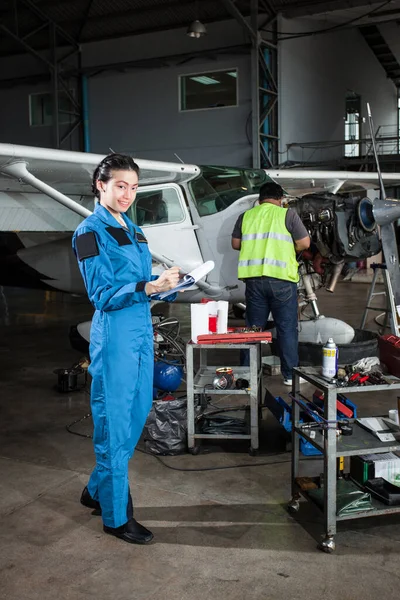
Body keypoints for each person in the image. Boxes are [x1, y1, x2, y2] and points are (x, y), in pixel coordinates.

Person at [72, 153, 180, 544]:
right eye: (120, 186)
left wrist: (162, 281)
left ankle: (95, 490)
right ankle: (116, 517)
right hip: (115, 334)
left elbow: (134, 279)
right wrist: (148, 288)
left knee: (137, 413)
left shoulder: (134, 229)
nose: (128, 194)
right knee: (115, 424)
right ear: (100, 185)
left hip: (139, 330)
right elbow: (102, 293)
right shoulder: (89, 232)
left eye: (134, 187)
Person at [231, 181, 310, 386]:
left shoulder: (246, 216)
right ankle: (290, 375)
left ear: (259, 199)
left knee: (253, 329)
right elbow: (304, 243)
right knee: (286, 328)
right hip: (281, 280)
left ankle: (246, 375)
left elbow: (235, 244)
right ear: (281, 199)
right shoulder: (287, 214)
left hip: (254, 281)